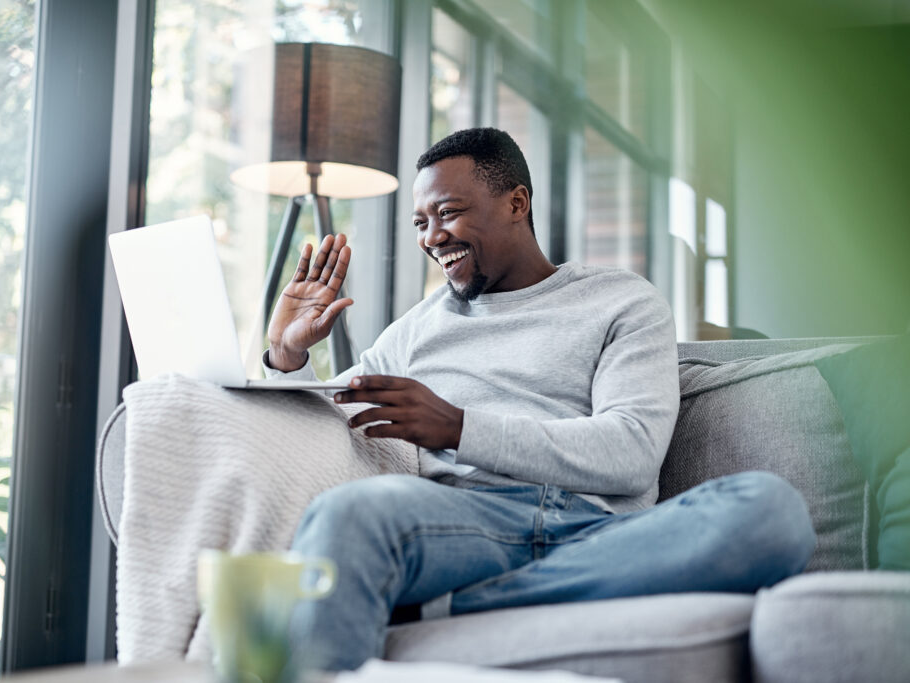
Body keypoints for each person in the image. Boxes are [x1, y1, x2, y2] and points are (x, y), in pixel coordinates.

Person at [263, 128, 815, 671]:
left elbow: (632, 452)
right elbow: (330, 412)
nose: (432, 237)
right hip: (463, 524)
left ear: (516, 203)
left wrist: (458, 428)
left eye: (448, 212)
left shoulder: (622, 301)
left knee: (771, 513)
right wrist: (286, 356)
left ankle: (451, 606)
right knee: (349, 514)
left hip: (599, 531)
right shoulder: (415, 330)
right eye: (420, 223)